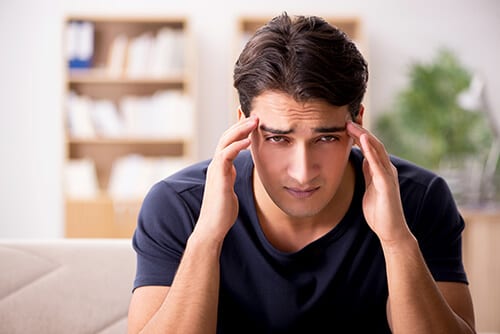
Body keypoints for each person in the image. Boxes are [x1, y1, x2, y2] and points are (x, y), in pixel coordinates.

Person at [127, 13, 476, 334]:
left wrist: (397, 240)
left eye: (326, 137)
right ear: (243, 127)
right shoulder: (178, 206)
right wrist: (206, 238)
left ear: (357, 124)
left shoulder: (419, 198)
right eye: (279, 138)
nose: (303, 171)